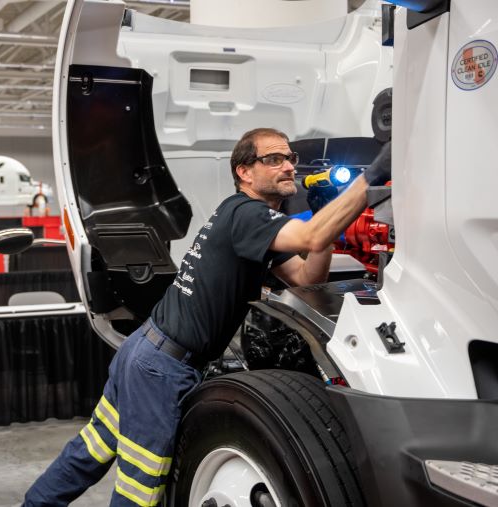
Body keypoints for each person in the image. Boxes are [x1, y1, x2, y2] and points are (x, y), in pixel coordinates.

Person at [23, 128, 392, 506]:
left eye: (289, 159)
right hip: (161, 368)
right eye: (273, 159)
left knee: (89, 452)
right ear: (244, 172)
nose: (288, 167)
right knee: (140, 489)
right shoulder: (246, 214)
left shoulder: (248, 218)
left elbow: (305, 277)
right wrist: (370, 179)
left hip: (145, 352)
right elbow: (310, 236)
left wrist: (326, 227)